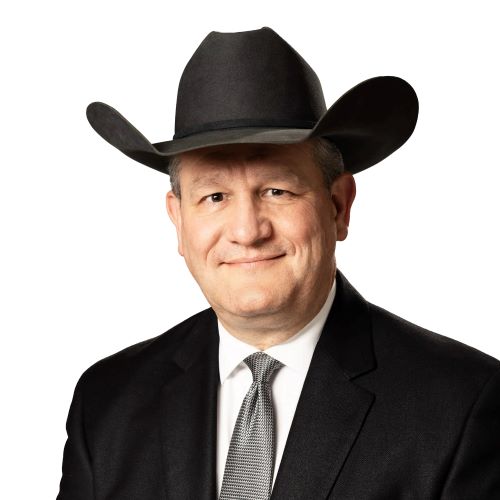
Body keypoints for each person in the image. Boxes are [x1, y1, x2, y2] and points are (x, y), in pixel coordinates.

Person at [57, 27, 500, 499]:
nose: (248, 231)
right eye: (214, 196)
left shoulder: (464, 405)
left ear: (338, 206)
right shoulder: (106, 401)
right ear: (179, 220)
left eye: (277, 191)